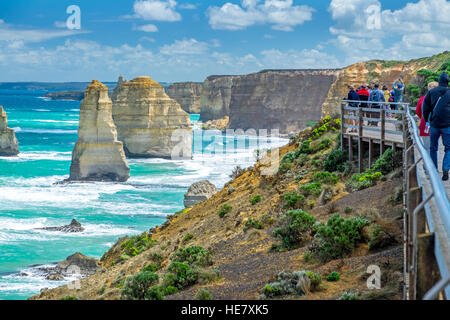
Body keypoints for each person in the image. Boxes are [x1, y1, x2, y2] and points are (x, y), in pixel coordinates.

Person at [422, 72, 450, 181]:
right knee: (448, 148)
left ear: (439, 81)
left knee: (433, 147)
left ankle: (434, 170)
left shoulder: (432, 92)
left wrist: (428, 119)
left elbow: (425, 107)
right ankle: (446, 169)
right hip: (447, 125)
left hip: (434, 125)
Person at [416, 81, 438, 153]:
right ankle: (433, 164)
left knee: (426, 148)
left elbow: (418, 112)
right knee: (435, 148)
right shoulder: (441, 99)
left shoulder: (422, 99)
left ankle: (426, 163)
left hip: (425, 124)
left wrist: (423, 117)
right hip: (437, 126)